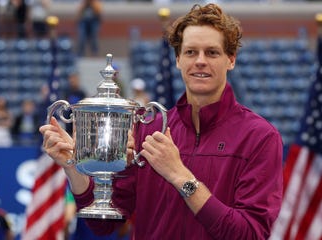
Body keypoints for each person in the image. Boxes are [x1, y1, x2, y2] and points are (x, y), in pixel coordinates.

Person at [40, 3, 283, 239]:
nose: (200, 61)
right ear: (178, 60)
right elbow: (102, 225)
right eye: (190, 52)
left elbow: (249, 233)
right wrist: (73, 166)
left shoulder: (260, 137)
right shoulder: (150, 129)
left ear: (231, 59)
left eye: (212, 52)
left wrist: (180, 176)